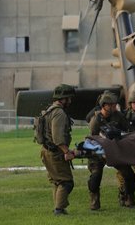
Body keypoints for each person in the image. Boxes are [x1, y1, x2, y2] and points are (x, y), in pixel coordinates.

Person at [88, 91, 135, 209]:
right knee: (95, 177)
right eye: (111, 105)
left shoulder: (118, 116)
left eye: (114, 104)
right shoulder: (95, 121)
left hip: (115, 150)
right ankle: (94, 201)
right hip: (98, 152)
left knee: (129, 175)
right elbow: (93, 139)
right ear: (104, 105)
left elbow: (128, 129)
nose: (114, 107)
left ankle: (127, 198)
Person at [40, 84, 76, 216]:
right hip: (55, 152)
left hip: (46, 150)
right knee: (66, 182)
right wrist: (66, 151)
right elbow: (58, 137)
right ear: (62, 99)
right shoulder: (59, 113)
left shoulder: (50, 110)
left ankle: (58, 207)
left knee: (57, 181)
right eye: (68, 99)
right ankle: (59, 210)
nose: (70, 101)